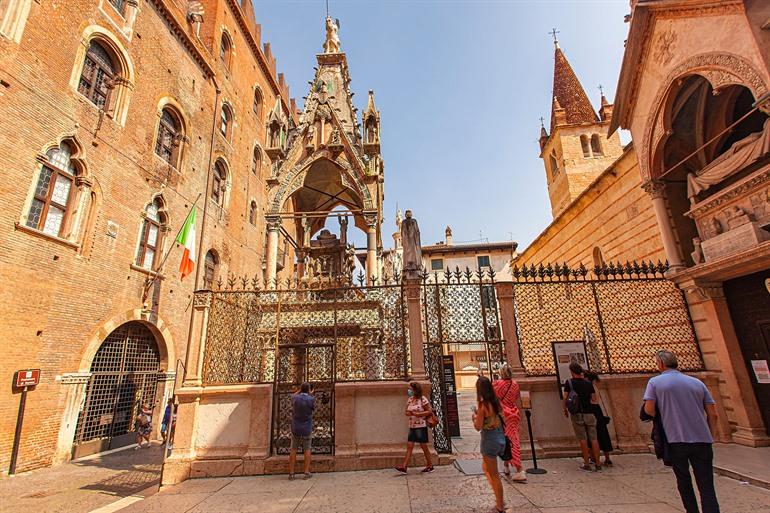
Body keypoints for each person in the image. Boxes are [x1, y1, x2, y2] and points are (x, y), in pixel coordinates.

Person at [643, 350, 720, 513]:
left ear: (661, 364)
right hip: (703, 440)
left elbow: (649, 409)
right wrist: (710, 435)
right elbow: (713, 414)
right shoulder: (697, 383)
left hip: (675, 439)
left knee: (683, 480)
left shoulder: (655, 382)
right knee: (706, 484)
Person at [474, 376, 506, 513]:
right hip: (499, 437)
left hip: (489, 440)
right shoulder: (495, 402)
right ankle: (499, 497)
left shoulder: (483, 406)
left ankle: (500, 505)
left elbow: (478, 426)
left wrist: (474, 418)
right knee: (486, 468)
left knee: (494, 474)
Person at [562, 362, 601, 471]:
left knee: (582, 439)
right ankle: (598, 463)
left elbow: (565, 397)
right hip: (590, 413)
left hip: (577, 413)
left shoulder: (569, 382)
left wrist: (564, 409)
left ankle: (587, 463)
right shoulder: (588, 384)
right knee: (594, 438)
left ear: (572, 372)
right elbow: (594, 399)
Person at [493, 364, 526, 482]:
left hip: (504, 415)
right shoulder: (515, 384)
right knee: (509, 440)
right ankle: (506, 466)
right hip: (514, 413)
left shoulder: (498, 384)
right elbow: (516, 397)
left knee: (511, 442)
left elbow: (493, 397)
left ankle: (519, 469)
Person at [395, 381, 435, 474]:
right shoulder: (410, 399)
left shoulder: (423, 399)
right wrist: (410, 413)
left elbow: (429, 411)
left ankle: (430, 465)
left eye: (410, 389)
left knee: (423, 446)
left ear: (415, 390)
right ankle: (404, 466)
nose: (409, 390)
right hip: (412, 426)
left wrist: (418, 414)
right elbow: (406, 412)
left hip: (421, 426)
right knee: (409, 446)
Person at [583, 371, 614, 466]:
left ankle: (594, 458)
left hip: (592, 410)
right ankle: (607, 458)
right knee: (603, 433)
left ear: (587, 378)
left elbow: (591, 399)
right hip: (598, 410)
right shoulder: (595, 386)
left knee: (592, 435)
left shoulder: (589, 387)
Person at [288, 382, 316, 480]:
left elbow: (292, 396)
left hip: (296, 426)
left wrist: (300, 390)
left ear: (300, 389)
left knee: (293, 449)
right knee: (307, 449)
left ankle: (291, 473)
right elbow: (313, 408)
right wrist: (310, 394)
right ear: (309, 390)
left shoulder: (295, 398)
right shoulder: (311, 399)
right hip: (306, 427)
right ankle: (306, 472)